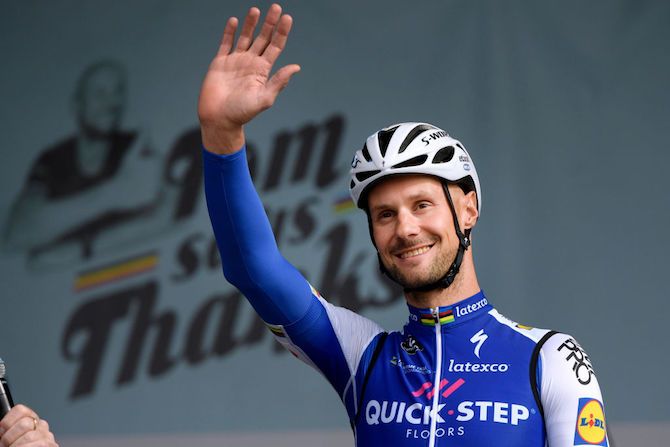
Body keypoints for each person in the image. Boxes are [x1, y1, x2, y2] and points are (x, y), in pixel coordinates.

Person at [199, 4, 608, 446]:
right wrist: (222, 137)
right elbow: (253, 269)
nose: (406, 229)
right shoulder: (363, 357)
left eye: (422, 205)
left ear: (468, 210)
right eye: (385, 214)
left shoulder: (549, 359)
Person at [3, 60, 177, 267]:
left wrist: (79, 250)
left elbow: (171, 213)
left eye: (118, 92)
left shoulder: (133, 147)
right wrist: (114, 193)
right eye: (100, 93)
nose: (112, 103)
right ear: (77, 104)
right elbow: (19, 233)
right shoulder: (53, 160)